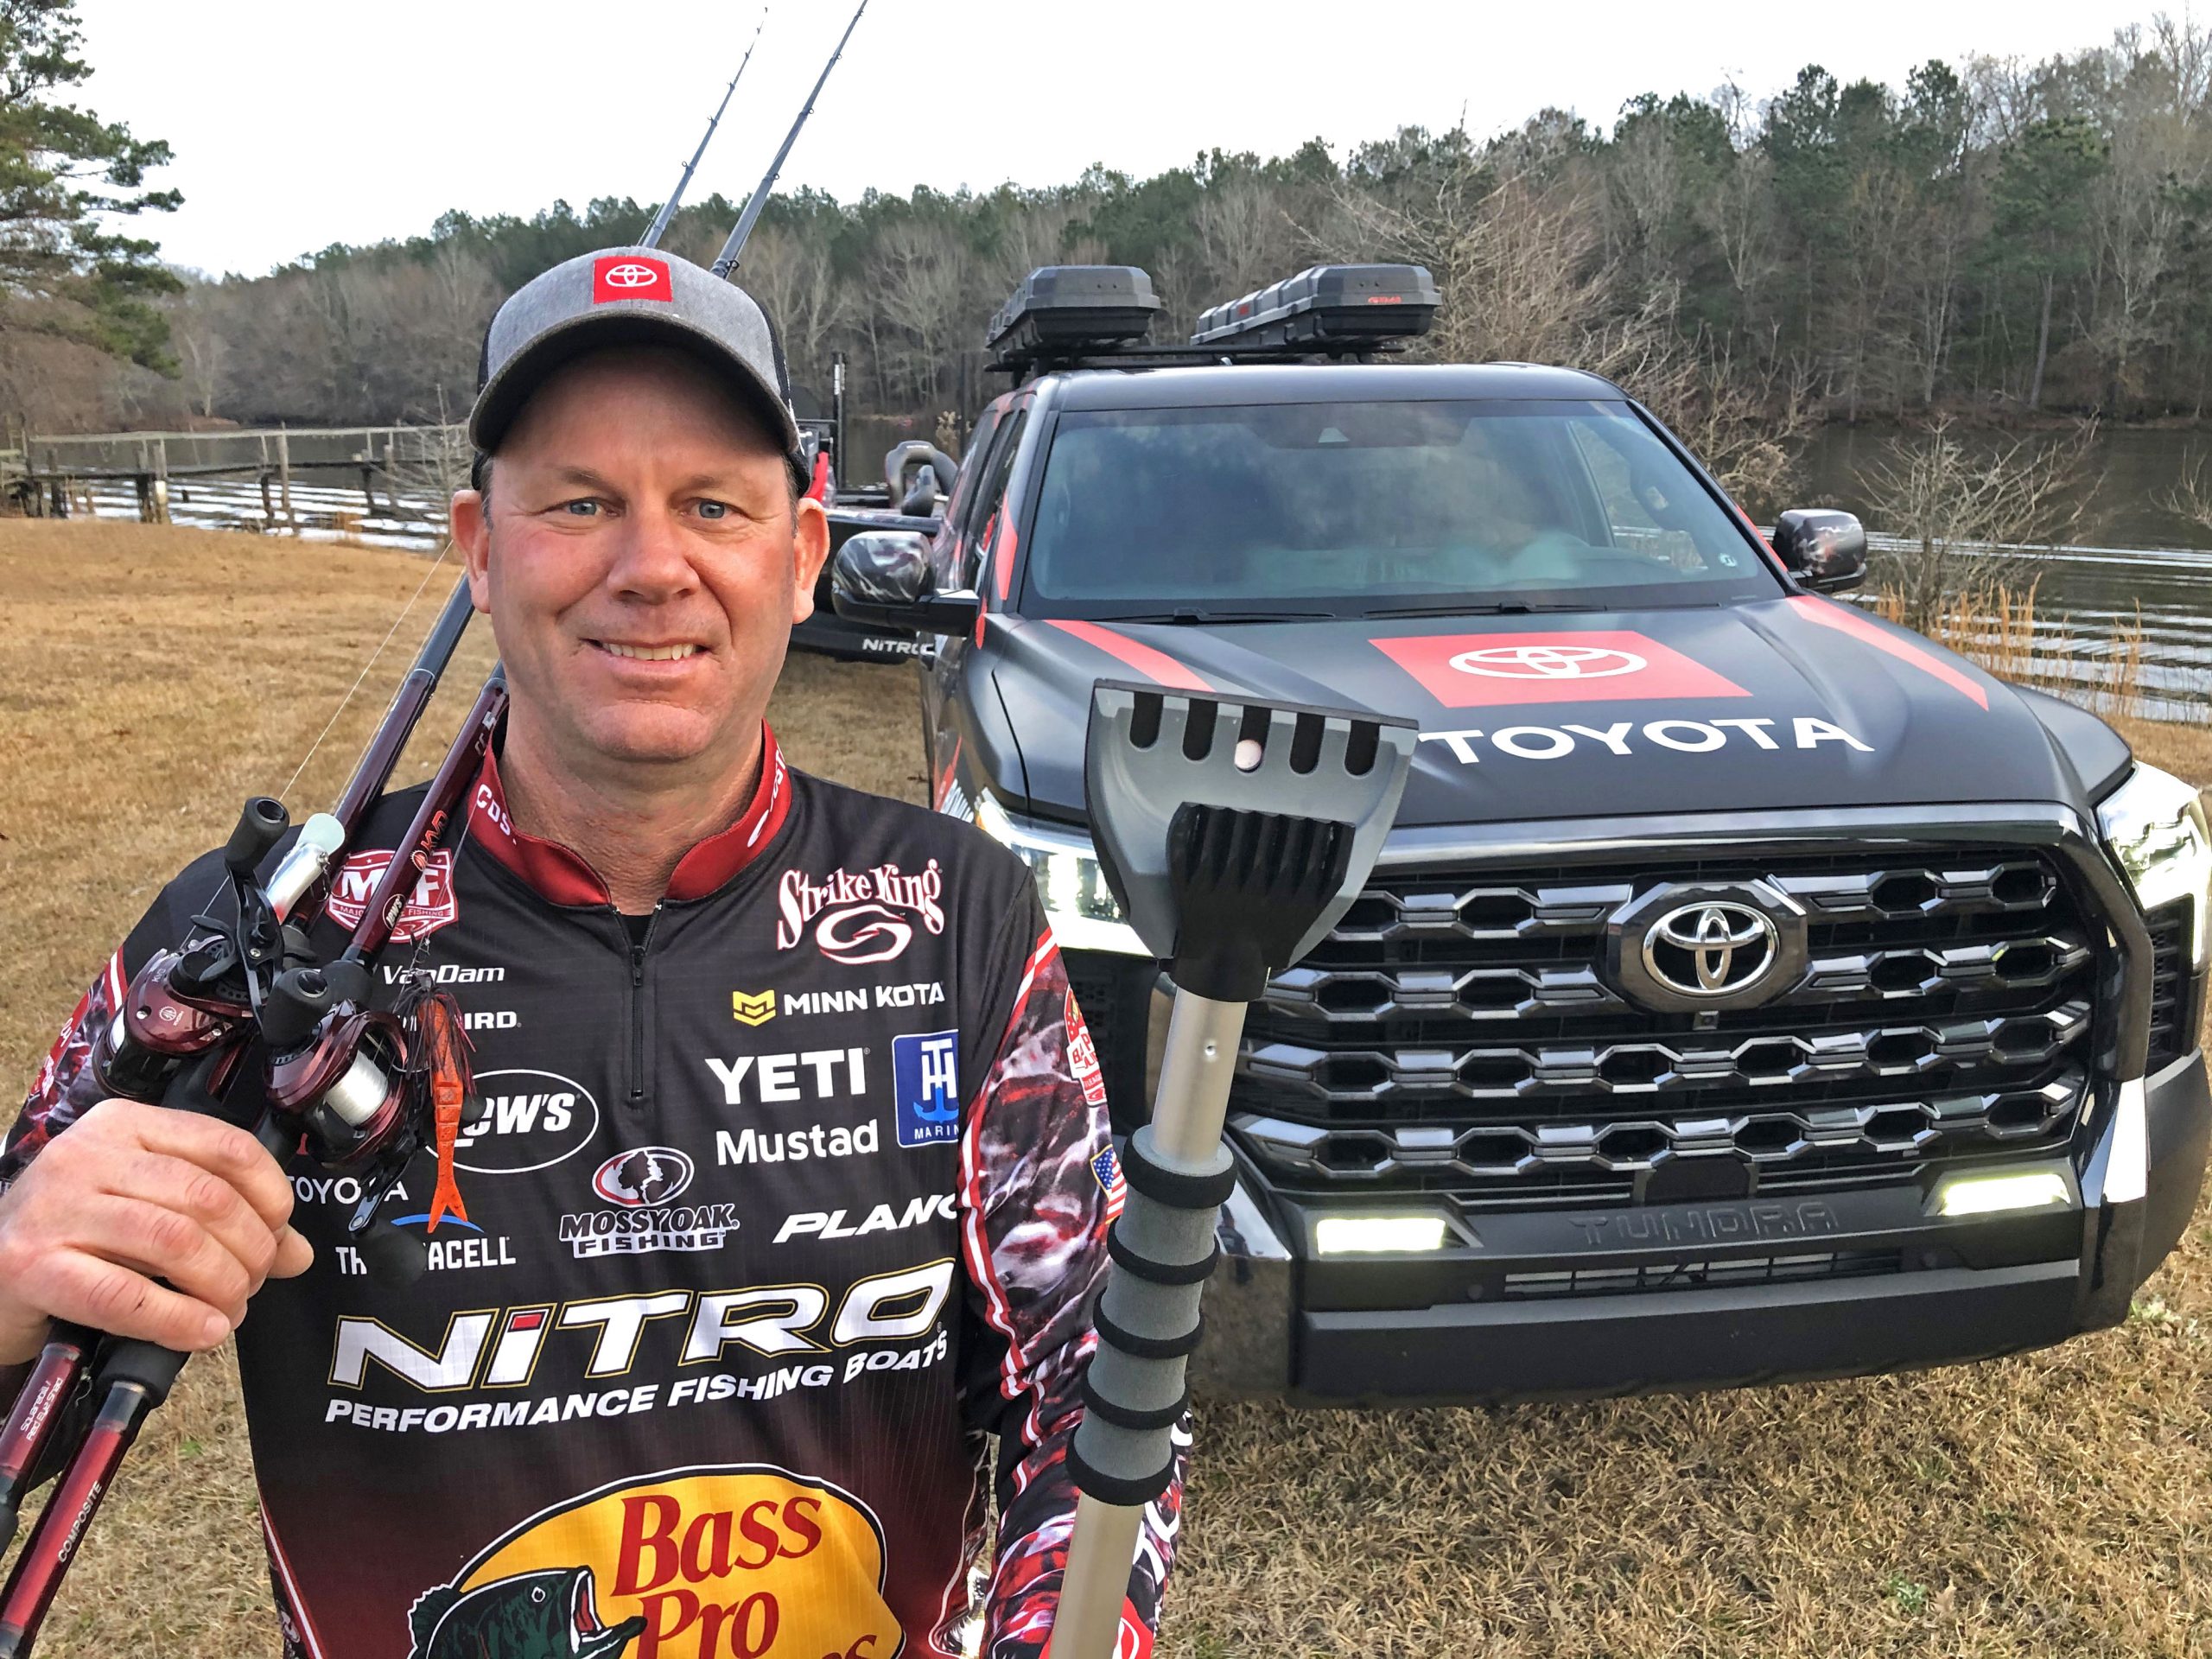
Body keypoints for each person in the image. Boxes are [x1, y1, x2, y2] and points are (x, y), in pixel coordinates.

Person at [0, 245, 1182, 1659]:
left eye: (713, 506)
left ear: (803, 557)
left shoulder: (957, 908)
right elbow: (38, 1384)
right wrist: (12, 1284)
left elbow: (1091, 1379)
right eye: (580, 504)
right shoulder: (262, 940)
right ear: (478, 547)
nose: (652, 568)